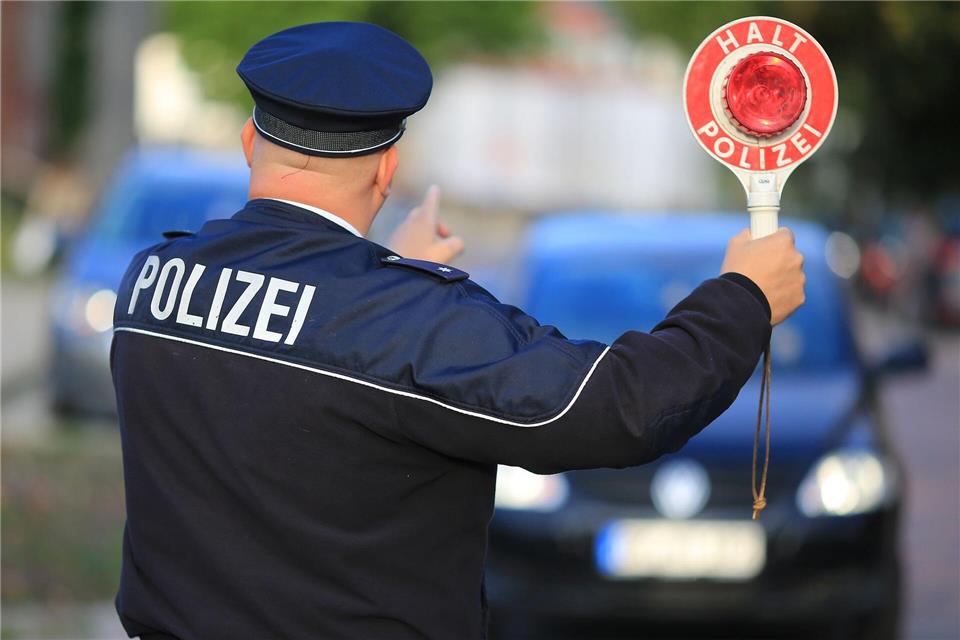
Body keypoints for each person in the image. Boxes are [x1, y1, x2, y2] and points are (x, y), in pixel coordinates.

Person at [110, 21, 805, 640]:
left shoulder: (151, 280)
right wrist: (742, 299)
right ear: (387, 170)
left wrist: (390, 275)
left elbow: (288, 373)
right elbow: (609, 408)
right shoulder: (410, 322)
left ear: (247, 143)